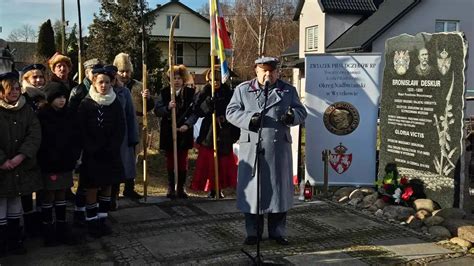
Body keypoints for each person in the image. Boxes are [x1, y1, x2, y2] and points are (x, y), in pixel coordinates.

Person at [226, 57, 307, 246]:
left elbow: (302, 112)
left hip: (278, 150)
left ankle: (277, 233)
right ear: (256, 71)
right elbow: (231, 112)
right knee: (253, 193)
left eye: (271, 71)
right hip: (252, 149)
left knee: (278, 193)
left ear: (277, 72)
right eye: (264, 71)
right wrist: (248, 119)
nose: (268, 74)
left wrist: (292, 116)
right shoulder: (243, 89)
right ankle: (253, 233)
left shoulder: (288, 90)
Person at [77, 66, 125, 237]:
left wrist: (113, 146)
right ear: (94, 83)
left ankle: (102, 219)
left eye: (106, 82)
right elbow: (81, 128)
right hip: (92, 154)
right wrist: (91, 146)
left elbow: (120, 128)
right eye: (100, 82)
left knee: (107, 186)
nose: (103, 85)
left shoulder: (115, 103)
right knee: (91, 188)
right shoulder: (86, 103)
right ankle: (91, 221)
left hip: (110, 153)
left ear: (112, 83)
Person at [0, 72, 43, 256]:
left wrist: (21, 156)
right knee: (1, 203)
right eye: (11, 90)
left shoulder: (26, 110)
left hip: (21, 166)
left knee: (15, 203)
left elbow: (34, 135)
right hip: (2, 169)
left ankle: (14, 240)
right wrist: (2, 160)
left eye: (17, 89)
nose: (15, 93)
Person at [37, 82, 81, 246]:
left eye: (64, 97)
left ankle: (62, 226)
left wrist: (74, 156)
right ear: (50, 99)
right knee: (49, 194)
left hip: (65, 162)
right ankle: (48, 228)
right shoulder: (42, 115)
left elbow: (76, 136)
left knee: (62, 193)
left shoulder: (69, 114)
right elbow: (39, 140)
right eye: (58, 97)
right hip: (48, 163)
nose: (62, 100)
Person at [190, 67, 239, 198]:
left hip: (224, 132)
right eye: (212, 80)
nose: (215, 82)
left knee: (222, 163)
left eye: (217, 79)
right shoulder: (205, 91)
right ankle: (211, 188)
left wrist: (224, 117)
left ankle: (220, 188)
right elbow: (198, 110)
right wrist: (208, 103)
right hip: (209, 133)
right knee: (210, 162)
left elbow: (234, 110)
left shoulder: (228, 92)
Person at [113, 52, 154, 199]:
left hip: (135, 124)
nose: (124, 74)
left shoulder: (139, 86)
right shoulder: (112, 86)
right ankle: (115, 188)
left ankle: (129, 188)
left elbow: (149, 107)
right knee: (117, 157)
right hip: (118, 126)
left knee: (132, 158)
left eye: (127, 71)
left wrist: (148, 99)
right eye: (121, 71)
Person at [154, 65, 198, 199]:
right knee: (171, 159)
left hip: (184, 130)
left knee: (182, 159)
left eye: (179, 78)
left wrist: (187, 124)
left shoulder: (190, 93)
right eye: (174, 78)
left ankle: (181, 187)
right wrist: (168, 107)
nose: (177, 81)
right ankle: (171, 186)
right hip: (169, 130)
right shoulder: (164, 92)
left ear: (184, 79)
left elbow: (194, 112)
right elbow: (157, 110)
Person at [70, 58, 103, 225]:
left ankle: (92, 209)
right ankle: (79, 210)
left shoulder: (101, 89)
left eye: (98, 71)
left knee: (94, 178)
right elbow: (72, 116)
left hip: (98, 142)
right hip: (83, 141)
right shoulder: (79, 90)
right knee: (85, 178)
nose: (96, 74)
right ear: (86, 72)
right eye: (93, 71)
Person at [19, 63, 48, 237]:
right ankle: (29, 224)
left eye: (40, 77)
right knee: (27, 189)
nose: (38, 80)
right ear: (26, 79)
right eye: (34, 77)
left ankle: (42, 221)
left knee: (43, 187)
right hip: (28, 150)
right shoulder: (23, 99)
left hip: (46, 149)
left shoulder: (48, 96)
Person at [107, 65, 139, 210]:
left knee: (119, 167)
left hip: (122, 136)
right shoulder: (99, 90)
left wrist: (133, 137)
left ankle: (114, 197)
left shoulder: (124, 92)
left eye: (113, 77)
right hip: (104, 136)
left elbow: (131, 115)